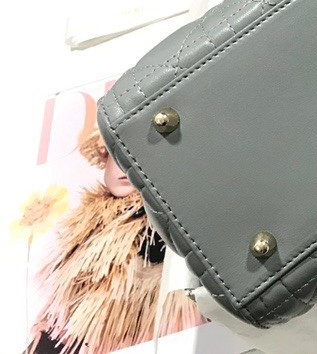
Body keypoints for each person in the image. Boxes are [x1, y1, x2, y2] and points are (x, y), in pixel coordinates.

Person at [31, 130, 201, 353]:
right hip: (69, 336)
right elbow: (67, 304)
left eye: (139, 158)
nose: (125, 167)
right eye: (116, 155)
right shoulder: (87, 222)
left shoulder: (167, 216)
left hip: (142, 337)